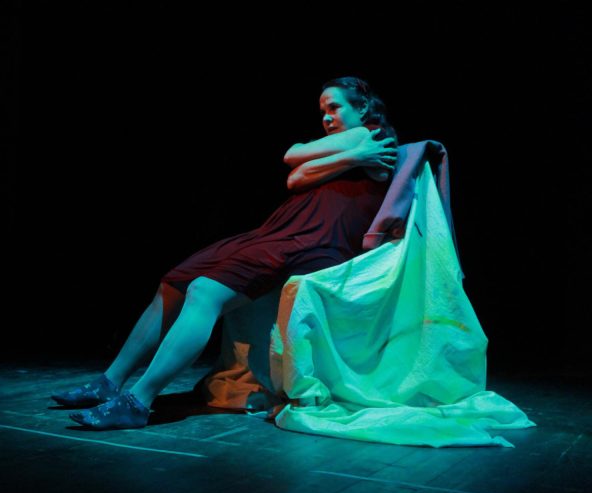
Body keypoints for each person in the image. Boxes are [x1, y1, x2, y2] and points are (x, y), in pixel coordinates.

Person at [51, 77, 399, 430]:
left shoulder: (371, 135)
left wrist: (350, 154)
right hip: (281, 233)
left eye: (335, 107)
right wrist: (353, 158)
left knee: (204, 291)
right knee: (174, 283)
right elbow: (295, 178)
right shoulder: (354, 149)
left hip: (314, 240)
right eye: (322, 110)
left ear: (362, 107)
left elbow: (293, 155)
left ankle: (138, 401)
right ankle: (109, 381)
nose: (326, 118)